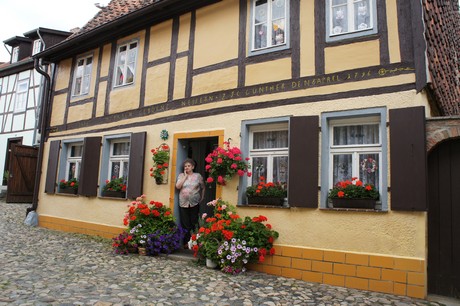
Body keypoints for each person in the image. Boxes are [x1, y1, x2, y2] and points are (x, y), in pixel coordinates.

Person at [175, 158, 205, 248]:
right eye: (185, 166)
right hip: (183, 203)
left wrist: (202, 197)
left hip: (194, 202)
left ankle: (194, 243)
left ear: (193, 167)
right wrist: (185, 176)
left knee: (194, 222)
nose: (187, 167)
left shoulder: (197, 176)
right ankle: (186, 243)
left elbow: (203, 187)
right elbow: (178, 186)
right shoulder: (181, 176)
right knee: (185, 223)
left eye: (188, 166)